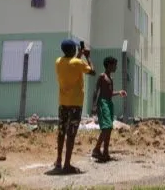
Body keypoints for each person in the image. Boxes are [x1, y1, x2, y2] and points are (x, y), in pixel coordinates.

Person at [54, 39, 96, 174]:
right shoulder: (78, 63)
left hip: (63, 102)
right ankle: (67, 164)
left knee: (61, 132)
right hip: (75, 103)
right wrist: (87, 57)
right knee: (71, 134)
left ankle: (59, 160)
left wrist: (78, 55)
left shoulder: (58, 62)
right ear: (73, 50)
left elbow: (72, 64)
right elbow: (92, 72)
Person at [92, 56, 127, 162]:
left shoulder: (111, 79)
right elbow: (95, 91)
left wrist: (119, 92)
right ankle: (96, 149)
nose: (116, 67)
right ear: (109, 65)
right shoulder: (102, 76)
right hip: (102, 103)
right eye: (114, 65)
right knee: (106, 127)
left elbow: (110, 93)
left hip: (109, 103)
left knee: (109, 128)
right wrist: (94, 106)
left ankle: (105, 152)